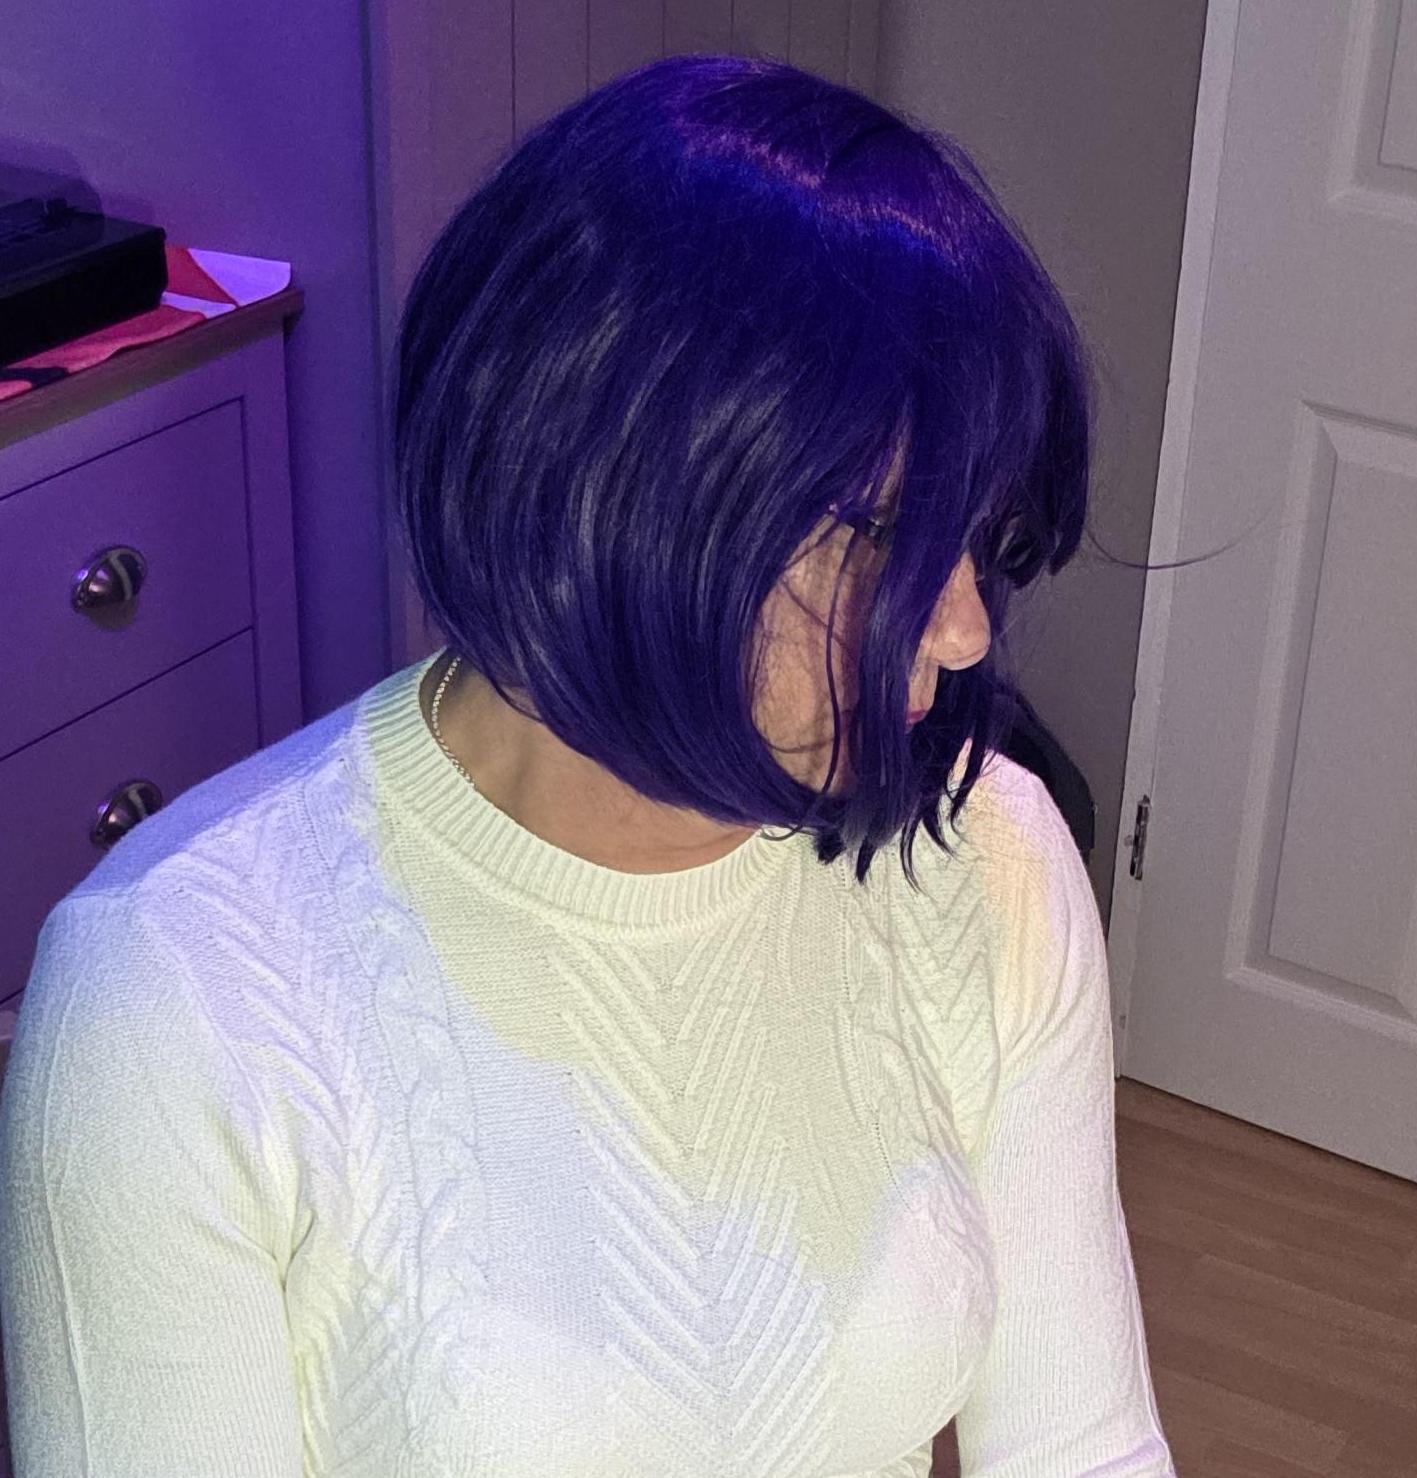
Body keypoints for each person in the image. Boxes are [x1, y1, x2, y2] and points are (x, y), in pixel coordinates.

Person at [0, 53, 1176, 1476]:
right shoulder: (174, 992)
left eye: (974, 537)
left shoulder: (983, 853)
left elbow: (1079, 1445)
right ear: (607, 497)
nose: (966, 628)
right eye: (881, 543)